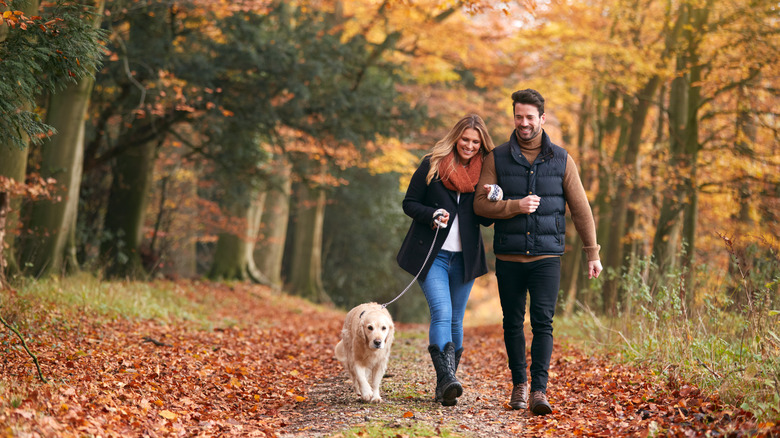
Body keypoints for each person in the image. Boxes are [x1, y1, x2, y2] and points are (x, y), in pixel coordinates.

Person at [473, 89, 603, 415]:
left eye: (530, 117)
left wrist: (593, 253)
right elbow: (479, 205)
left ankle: (539, 391)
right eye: (519, 116)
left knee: (543, 323)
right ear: (513, 117)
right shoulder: (497, 158)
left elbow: (581, 209)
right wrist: (515, 206)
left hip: (547, 257)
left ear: (542, 119)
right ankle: (519, 385)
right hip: (509, 257)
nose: (524, 123)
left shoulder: (561, 159)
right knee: (513, 323)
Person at [397, 114, 496, 406]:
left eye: (475, 142)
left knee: (456, 318)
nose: (469, 145)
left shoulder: (485, 174)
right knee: (441, 311)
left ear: (481, 145)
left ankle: (446, 384)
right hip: (433, 256)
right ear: (456, 137)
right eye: (465, 139)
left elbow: (487, 221)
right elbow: (409, 203)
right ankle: (447, 380)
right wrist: (431, 215)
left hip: (465, 259)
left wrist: (492, 197)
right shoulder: (433, 164)